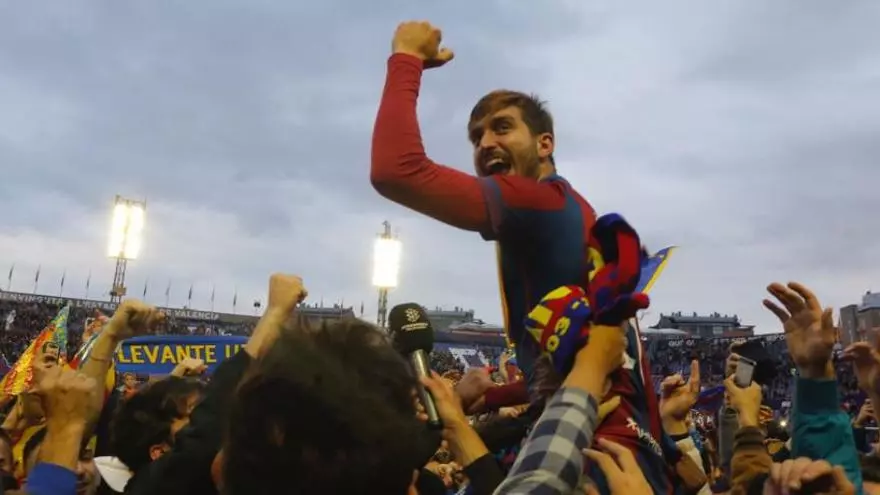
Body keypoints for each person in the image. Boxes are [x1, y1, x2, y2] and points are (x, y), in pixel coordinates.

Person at [371, 20, 676, 494]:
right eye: (476, 137)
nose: (485, 144)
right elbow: (565, 361)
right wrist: (491, 395)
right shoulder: (576, 212)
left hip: (594, 454)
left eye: (502, 128)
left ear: (544, 144)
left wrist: (406, 57)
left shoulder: (538, 203)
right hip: (624, 446)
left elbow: (396, 171)